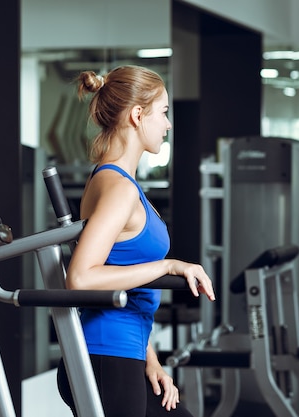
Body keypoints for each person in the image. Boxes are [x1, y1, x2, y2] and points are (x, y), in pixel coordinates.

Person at [56, 65, 216, 417]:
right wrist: (169, 265)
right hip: (106, 356)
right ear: (138, 115)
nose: (168, 124)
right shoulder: (117, 187)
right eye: (164, 113)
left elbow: (123, 281)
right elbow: (81, 279)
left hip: (127, 353)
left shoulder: (120, 184)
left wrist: (151, 359)